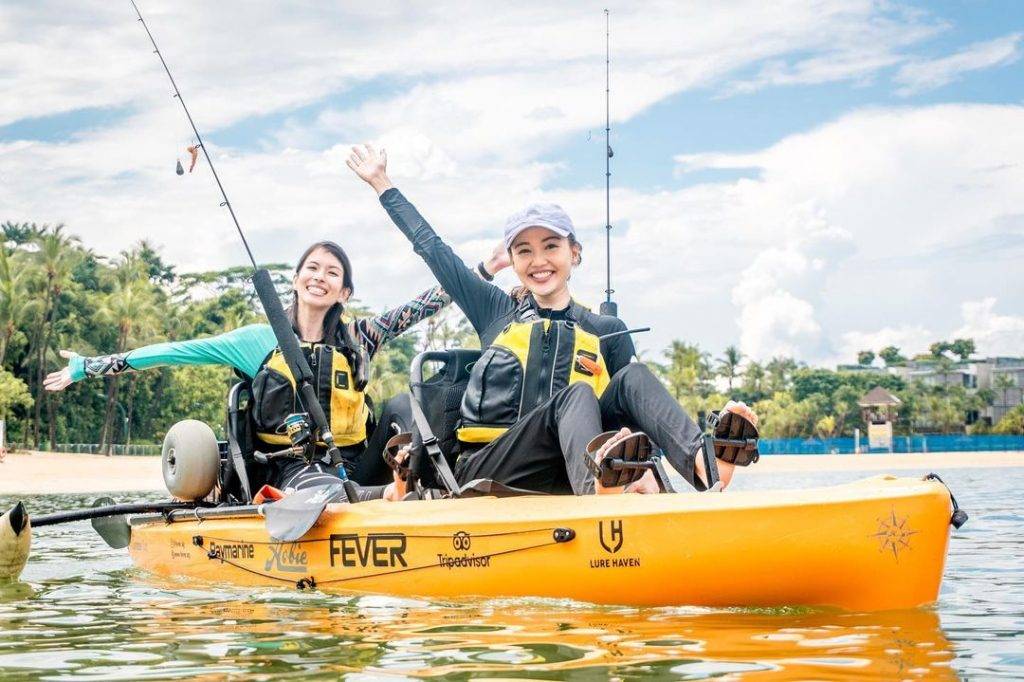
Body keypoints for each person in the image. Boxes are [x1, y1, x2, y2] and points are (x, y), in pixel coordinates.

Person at [347, 145, 757, 496]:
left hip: (570, 470)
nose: (538, 261)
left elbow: (635, 426)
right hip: (493, 467)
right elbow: (434, 251)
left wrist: (653, 479)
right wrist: (383, 185)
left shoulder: (605, 330)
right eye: (524, 250)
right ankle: (597, 500)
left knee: (633, 378)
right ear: (512, 260)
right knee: (577, 394)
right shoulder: (495, 310)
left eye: (550, 246)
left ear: (573, 253)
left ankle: (709, 470)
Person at [43, 240, 476, 499]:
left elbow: (422, 306)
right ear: (295, 280)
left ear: (344, 291)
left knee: (405, 401)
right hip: (290, 468)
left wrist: (485, 269)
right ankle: (388, 496)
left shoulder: (359, 337)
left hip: (355, 463)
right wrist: (90, 367)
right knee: (318, 483)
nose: (320, 277)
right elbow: (177, 351)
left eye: (332, 273)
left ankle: (423, 485)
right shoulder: (257, 341)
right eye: (312, 268)